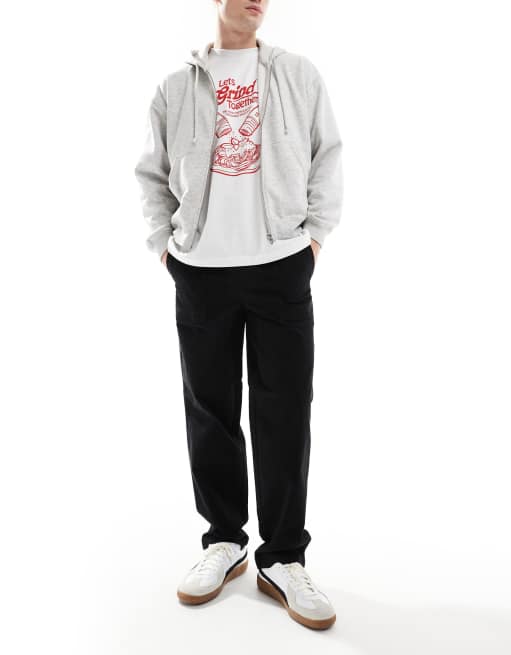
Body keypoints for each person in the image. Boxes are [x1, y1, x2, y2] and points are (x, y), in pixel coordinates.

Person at [134, 0, 343, 630]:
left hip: (281, 263)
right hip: (201, 271)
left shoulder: (297, 74)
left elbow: (327, 155)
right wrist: (166, 249)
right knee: (210, 410)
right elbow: (151, 175)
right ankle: (224, 541)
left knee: (285, 412)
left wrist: (313, 239)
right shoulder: (176, 87)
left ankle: (283, 557)